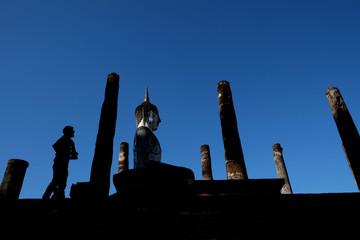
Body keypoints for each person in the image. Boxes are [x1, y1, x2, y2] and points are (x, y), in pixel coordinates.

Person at [43, 126, 78, 199]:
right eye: (72, 131)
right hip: (59, 163)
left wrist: (72, 155)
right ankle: (46, 197)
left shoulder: (71, 142)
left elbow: (71, 154)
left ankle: (58, 195)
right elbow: (56, 147)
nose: (73, 132)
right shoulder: (63, 139)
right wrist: (65, 154)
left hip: (64, 164)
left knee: (63, 181)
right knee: (56, 180)